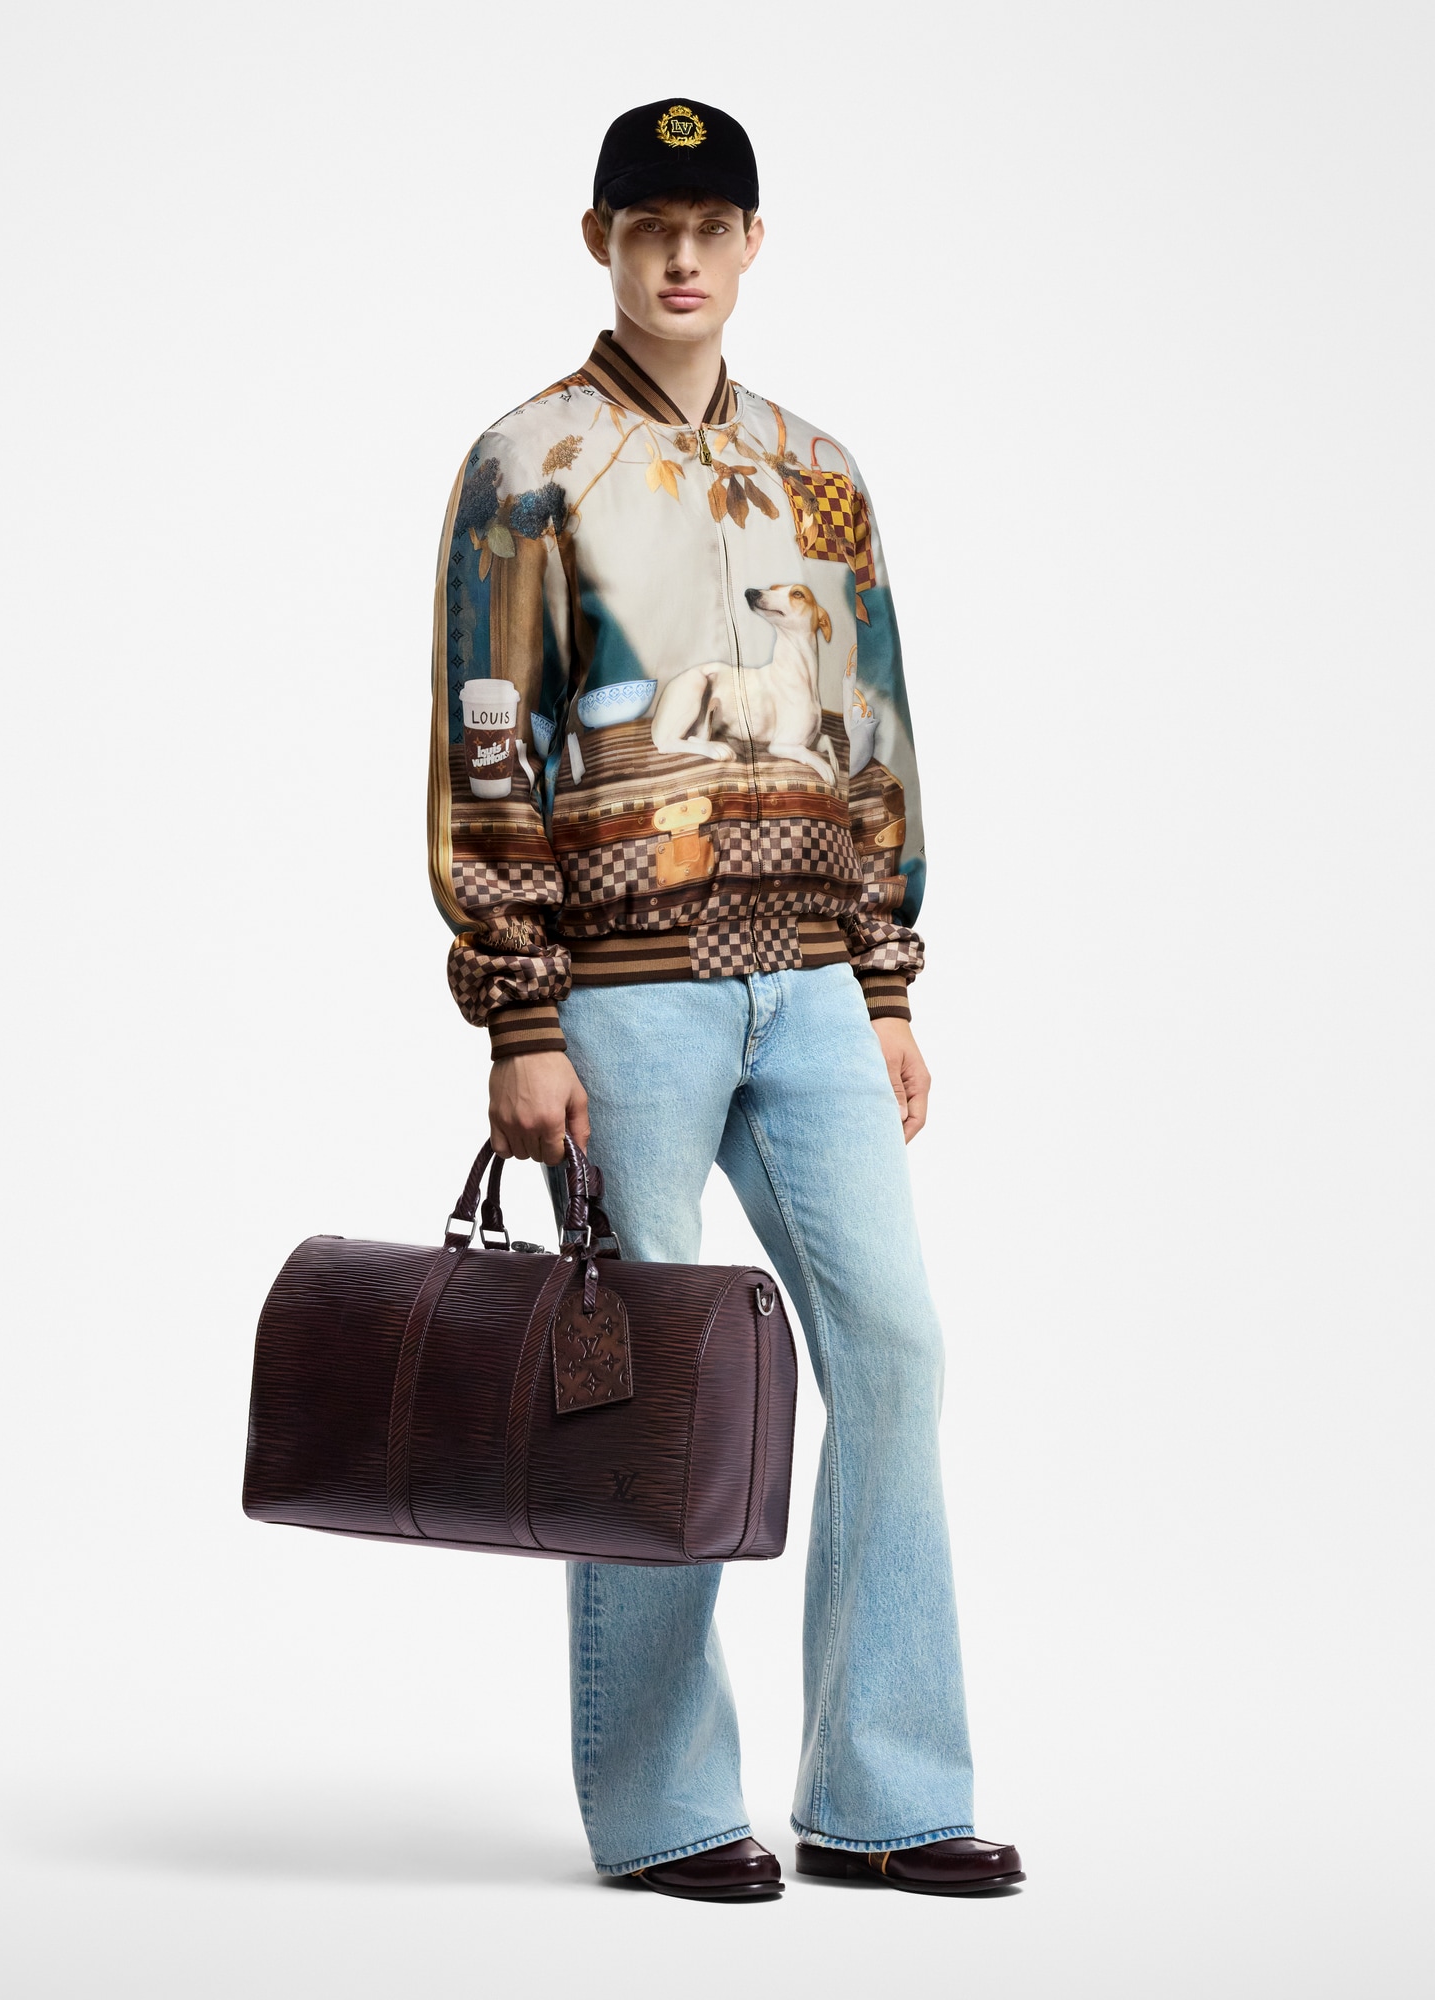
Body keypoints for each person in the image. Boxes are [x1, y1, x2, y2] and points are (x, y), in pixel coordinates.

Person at [426, 98, 1023, 1902]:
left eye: (711, 225)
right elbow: (488, 743)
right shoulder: (528, 464)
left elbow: (874, 729)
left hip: (816, 987)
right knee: (642, 1391)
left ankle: (885, 1793)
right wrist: (521, 1016)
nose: (681, 256)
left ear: (755, 243)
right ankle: (668, 1806)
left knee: (894, 1349)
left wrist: (886, 980)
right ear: (600, 240)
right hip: (624, 999)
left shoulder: (821, 469)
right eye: (649, 225)